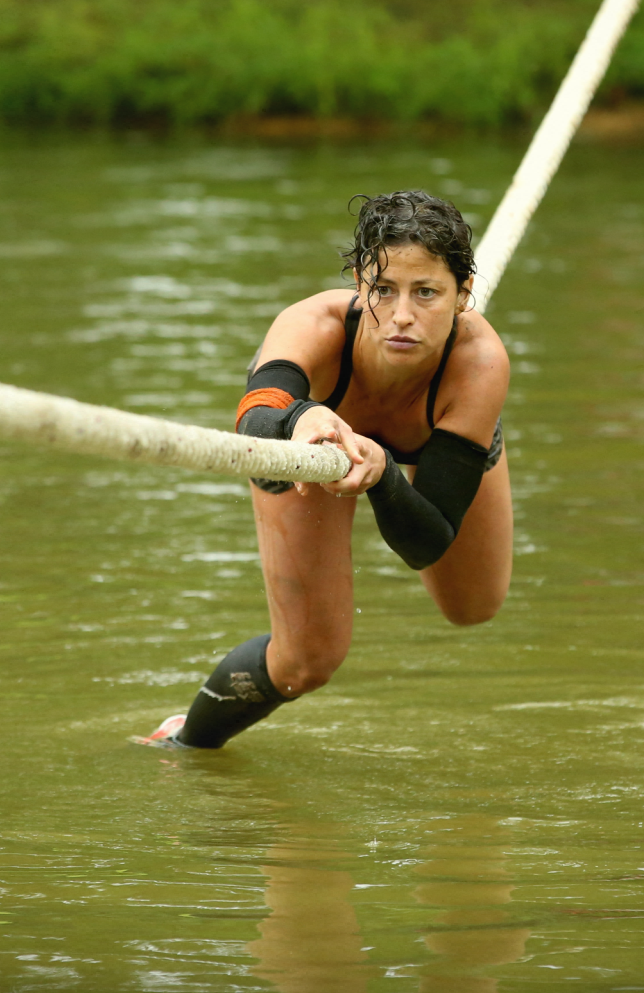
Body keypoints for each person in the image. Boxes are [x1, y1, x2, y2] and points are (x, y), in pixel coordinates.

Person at [137, 191, 512, 749]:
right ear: (360, 285)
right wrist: (302, 415)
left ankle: (425, 452)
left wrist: (384, 473)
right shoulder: (312, 325)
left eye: (426, 292)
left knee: (473, 608)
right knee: (307, 661)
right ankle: (184, 744)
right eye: (384, 289)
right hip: (298, 440)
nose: (402, 316)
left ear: (463, 294)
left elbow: (426, 542)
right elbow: (255, 430)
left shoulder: (478, 362)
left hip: (435, 436)